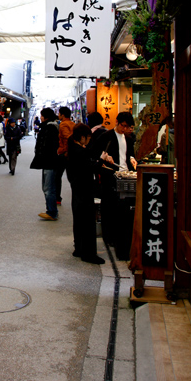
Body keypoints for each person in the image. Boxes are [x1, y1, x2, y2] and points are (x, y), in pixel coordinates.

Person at [91, 111, 137, 247]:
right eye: (123, 126)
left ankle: (120, 236)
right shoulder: (106, 136)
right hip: (109, 176)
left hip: (125, 174)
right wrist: (104, 158)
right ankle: (108, 236)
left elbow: (130, 155)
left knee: (122, 208)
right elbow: (95, 153)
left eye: (128, 127)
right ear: (117, 122)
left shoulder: (129, 138)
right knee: (108, 207)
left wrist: (133, 159)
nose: (125, 129)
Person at [66, 123, 105, 264]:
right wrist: (101, 161)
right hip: (84, 188)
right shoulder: (79, 151)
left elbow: (86, 153)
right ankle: (88, 254)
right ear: (82, 137)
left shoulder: (72, 144)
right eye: (88, 138)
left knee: (78, 219)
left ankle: (79, 248)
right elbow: (89, 167)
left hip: (76, 188)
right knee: (88, 221)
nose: (88, 141)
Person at [30, 107, 59, 220]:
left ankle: (52, 212)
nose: (40, 117)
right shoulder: (50, 127)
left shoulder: (50, 128)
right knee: (48, 187)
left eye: (42, 115)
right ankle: (52, 210)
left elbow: (47, 146)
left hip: (49, 162)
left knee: (48, 188)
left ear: (46, 117)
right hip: (49, 162)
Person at [56, 106, 75, 205]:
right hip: (72, 154)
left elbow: (67, 139)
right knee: (72, 177)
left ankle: (57, 198)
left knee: (57, 176)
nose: (58, 115)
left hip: (64, 153)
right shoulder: (73, 124)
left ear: (62, 115)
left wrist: (66, 151)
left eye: (59, 113)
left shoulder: (63, 124)